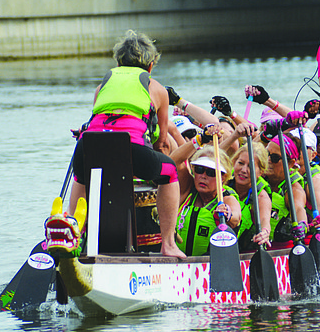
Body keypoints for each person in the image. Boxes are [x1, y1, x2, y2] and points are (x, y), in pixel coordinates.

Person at [67, 30, 184, 258]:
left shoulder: (102, 86)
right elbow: (160, 143)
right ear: (150, 66)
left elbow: (96, 120)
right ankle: (168, 244)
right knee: (169, 172)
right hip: (129, 146)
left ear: (118, 62)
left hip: (88, 143)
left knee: (82, 177)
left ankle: (75, 234)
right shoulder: (158, 89)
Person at [173, 138, 243, 257]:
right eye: (199, 169)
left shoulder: (227, 199)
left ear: (223, 178)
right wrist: (199, 139)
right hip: (179, 265)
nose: (203, 176)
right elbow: (173, 161)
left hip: (209, 267)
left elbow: (236, 217)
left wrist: (228, 214)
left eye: (211, 172)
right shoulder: (188, 189)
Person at [227, 123, 273, 250]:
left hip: (244, 249)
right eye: (240, 163)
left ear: (261, 172)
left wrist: (265, 232)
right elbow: (213, 157)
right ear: (233, 162)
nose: (243, 170)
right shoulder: (223, 180)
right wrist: (234, 135)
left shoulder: (261, 196)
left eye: (250, 167)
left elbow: (265, 220)